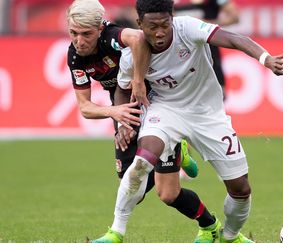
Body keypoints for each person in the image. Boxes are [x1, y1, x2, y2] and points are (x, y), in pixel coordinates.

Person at [93, 0, 283, 242]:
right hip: (165, 110)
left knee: (241, 188)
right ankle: (116, 232)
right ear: (140, 24)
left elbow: (232, 38)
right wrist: (123, 120)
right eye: (152, 26)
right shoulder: (131, 56)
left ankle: (229, 236)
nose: (159, 32)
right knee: (143, 160)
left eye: (164, 25)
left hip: (207, 114)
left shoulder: (187, 28)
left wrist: (266, 59)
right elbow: (122, 88)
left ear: (172, 18)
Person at [66, 0, 199, 235]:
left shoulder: (111, 36)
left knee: (163, 191)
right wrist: (116, 115)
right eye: (73, 33)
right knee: (129, 188)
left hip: (154, 97)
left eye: (86, 34)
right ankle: (176, 149)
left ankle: (171, 147)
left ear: (99, 28)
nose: (79, 41)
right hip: (121, 104)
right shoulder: (75, 56)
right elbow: (85, 107)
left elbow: (138, 38)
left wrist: (138, 80)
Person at [174, 0, 239, 99]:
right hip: (176, 57)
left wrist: (207, 26)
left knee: (217, 98)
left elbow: (234, 17)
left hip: (208, 56)